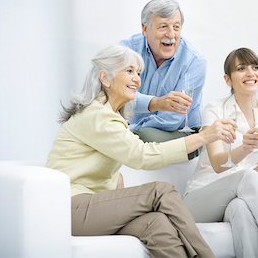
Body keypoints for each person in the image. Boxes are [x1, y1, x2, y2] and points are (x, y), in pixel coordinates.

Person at [46, 45, 236, 258]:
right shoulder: (97, 115)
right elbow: (142, 156)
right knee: (160, 191)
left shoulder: (111, 116)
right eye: (128, 71)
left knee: (156, 224)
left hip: (92, 207)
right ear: (105, 78)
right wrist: (202, 137)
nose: (137, 78)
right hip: (71, 209)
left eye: (138, 72)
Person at [183, 48, 258, 258]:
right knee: (248, 176)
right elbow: (219, 164)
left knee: (241, 210)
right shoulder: (215, 110)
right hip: (202, 199)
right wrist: (245, 148)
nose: (250, 73)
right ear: (228, 79)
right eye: (241, 68)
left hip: (237, 199)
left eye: (255, 67)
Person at [120, 0, 205, 159]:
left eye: (176, 27)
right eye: (163, 26)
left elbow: (173, 118)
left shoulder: (194, 61)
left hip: (178, 132)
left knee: (143, 137)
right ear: (145, 29)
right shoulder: (127, 50)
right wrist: (155, 103)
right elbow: (118, 95)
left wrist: (130, 131)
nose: (171, 34)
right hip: (131, 128)